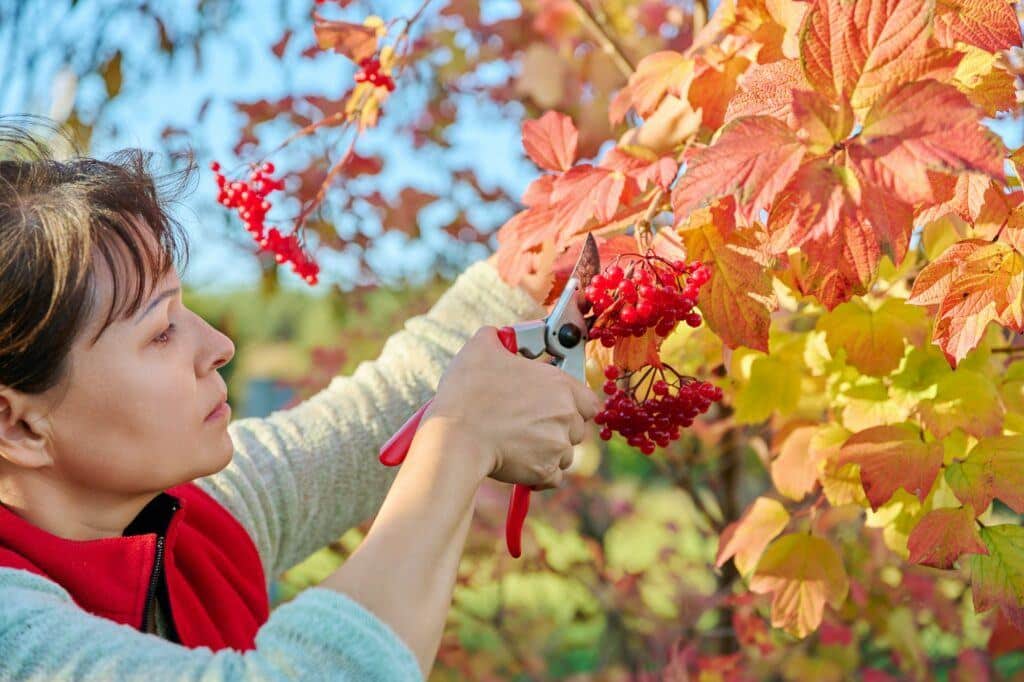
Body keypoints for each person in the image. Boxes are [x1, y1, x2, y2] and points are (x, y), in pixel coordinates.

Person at [0, 118, 601, 681]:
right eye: (160, 331)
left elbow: (382, 406)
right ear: (18, 427)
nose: (220, 345)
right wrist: (459, 442)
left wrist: (568, 221)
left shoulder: (203, 517)